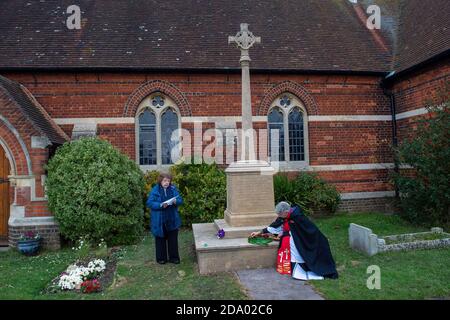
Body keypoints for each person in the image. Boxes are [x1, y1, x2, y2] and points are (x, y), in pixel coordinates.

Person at [251, 201, 338, 280]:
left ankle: (302, 269)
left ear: (285, 212)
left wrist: (286, 233)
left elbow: (307, 230)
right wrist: (259, 232)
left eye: (280, 214)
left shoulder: (297, 216)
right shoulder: (284, 217)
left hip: (305, 240)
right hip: (293, 238)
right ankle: (293, 268)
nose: (279, 216)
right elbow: (275, 226)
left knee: (295, 248)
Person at [146, 173, 183, 264]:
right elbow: (149, 203)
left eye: (168, 181)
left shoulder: (173, 189)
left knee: (173, 239)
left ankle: (174, 258)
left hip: (172, 218)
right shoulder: (155, 190)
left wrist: (175, 201)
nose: (167, 183)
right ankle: (161, 258)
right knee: (160, 239)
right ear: (160, 181)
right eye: (164, 181)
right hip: (159, 219)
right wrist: (160, 205)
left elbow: (180, 200)